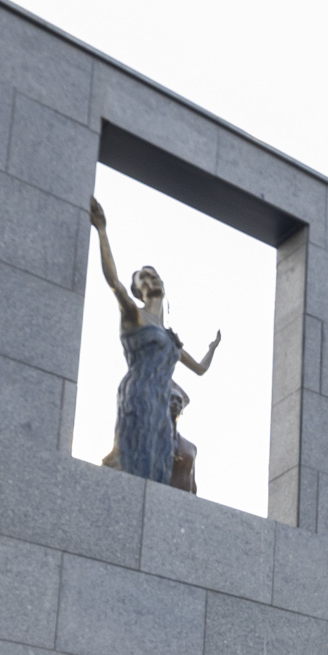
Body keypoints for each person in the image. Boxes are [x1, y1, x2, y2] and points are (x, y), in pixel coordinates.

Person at [87, 201, 217, 487]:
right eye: (142, 277)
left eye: (152, 273)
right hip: (139, 395)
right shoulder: (135, 316)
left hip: (160, 406)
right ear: (139, 289)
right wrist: (102, 230)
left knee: (158, 469)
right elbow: (114, 283)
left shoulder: (170, 337)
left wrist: (212, 348)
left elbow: (199, 369)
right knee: (131, 461)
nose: (150, 277)